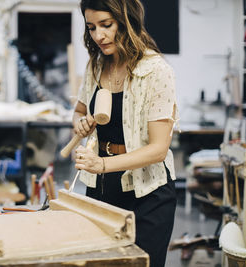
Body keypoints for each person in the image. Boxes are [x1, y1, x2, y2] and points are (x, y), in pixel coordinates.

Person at [73, 1, 179, 267]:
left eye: (106, 25)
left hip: (148, 192)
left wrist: (103, 164)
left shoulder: (156, 71)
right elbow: (78, 111)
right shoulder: (96, 66)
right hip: (101, 186)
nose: (98, 35)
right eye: (92, 27)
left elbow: (158, 149)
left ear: (127, 20)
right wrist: (80, 123)